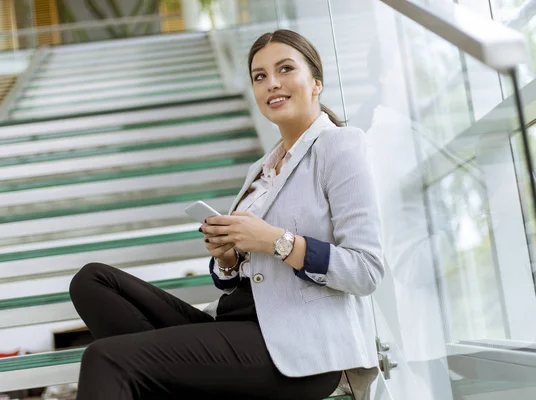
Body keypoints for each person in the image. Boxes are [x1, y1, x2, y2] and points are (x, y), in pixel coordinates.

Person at [69, 29, 384, 400]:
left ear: (315, 83)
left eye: (285, 69)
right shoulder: (261, 169)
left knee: (106, 358)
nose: (272, 83)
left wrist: (276, 241)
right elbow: (243, 278)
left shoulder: (340, 145)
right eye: (260, 76)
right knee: (92, 282)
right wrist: (230, 258)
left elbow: (366, 270)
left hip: (300, 350)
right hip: (238, 323)